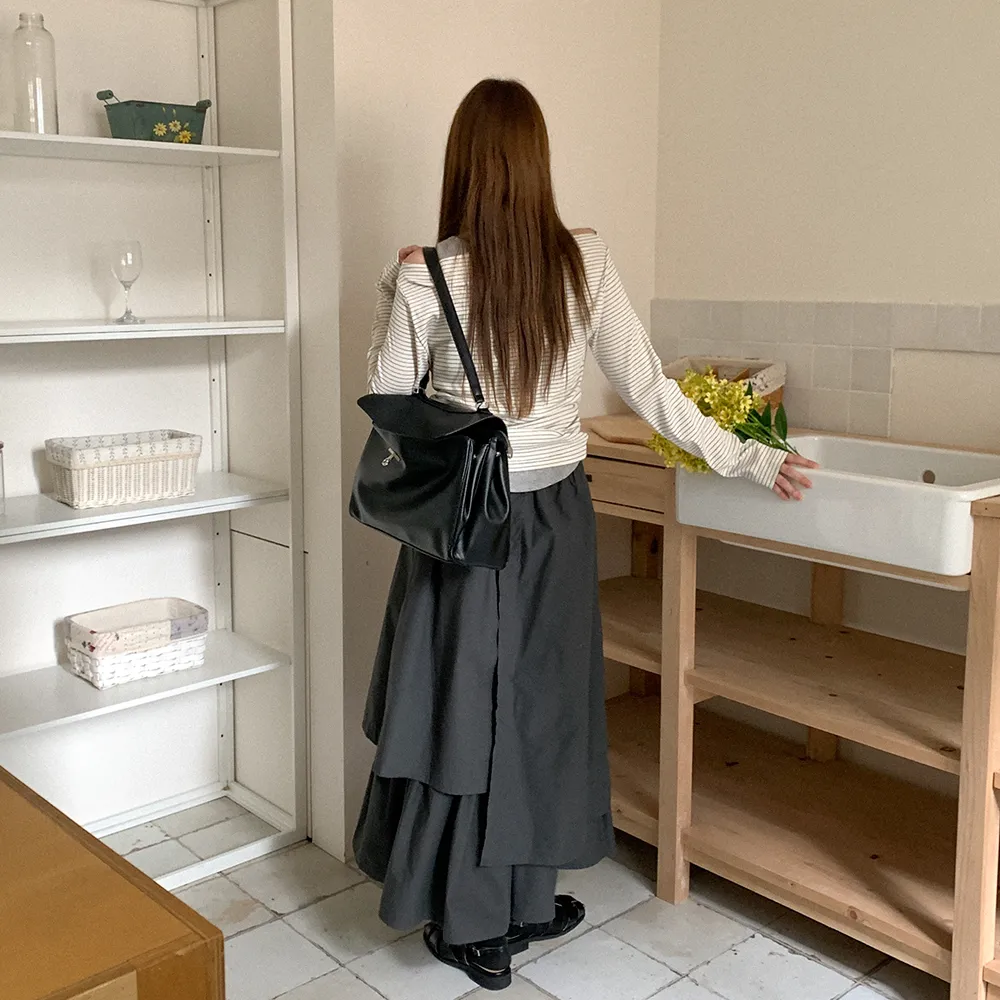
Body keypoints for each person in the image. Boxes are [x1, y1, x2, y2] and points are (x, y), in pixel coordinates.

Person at [353, 78, 817, 992]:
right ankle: (495, 913)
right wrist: (753, 458)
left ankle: (495, 917)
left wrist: (394, 284)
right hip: (558, 517)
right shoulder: (584, 261)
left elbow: (386, 397)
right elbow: (650, 390)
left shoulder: (425, 276)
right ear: (538, 163)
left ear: (461, 165)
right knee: (538, 710)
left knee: (471, 714)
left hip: (466, 527)